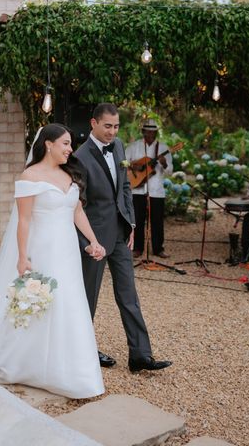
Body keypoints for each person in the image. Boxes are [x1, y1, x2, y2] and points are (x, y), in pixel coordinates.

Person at [0, 124, 105, 399]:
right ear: (48, 144)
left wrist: (93, 241)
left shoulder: (68, 174)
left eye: (70, 144)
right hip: (43, 250)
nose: (70, 149)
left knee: (70, 302)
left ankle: (75, 369)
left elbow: (77, 211)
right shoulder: (30, 176)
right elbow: (23, 221)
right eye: (66, 144)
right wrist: (23, 257)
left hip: (68, 251)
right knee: (42, 303)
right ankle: (29, 363)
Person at [74, 103, 172, 373]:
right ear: (93, 123)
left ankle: (140, 355)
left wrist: (131, 224)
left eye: (116, 127)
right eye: (108, 126)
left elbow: (126, 187)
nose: (112, 132)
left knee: (129, 294)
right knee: (88, 298)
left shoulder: (118, 147)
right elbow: (76, 205)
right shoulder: (80, 156)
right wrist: (88, 243)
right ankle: (82, 351)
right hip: (94, 240)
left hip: (120, 234)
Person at [125, 118, 173, 259]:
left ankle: (158, 249)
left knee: (157, 221)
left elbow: (170, 171)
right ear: (143, 132)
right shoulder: (134, 146)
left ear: (156, 133)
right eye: (148, 132)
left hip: (156, 191)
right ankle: (137, 248)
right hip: (137, 190)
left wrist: (164, 164)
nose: (150, 135)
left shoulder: (163, 148)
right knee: (138, 220)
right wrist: (134, 166)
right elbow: (122, 162)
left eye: (153, 132)